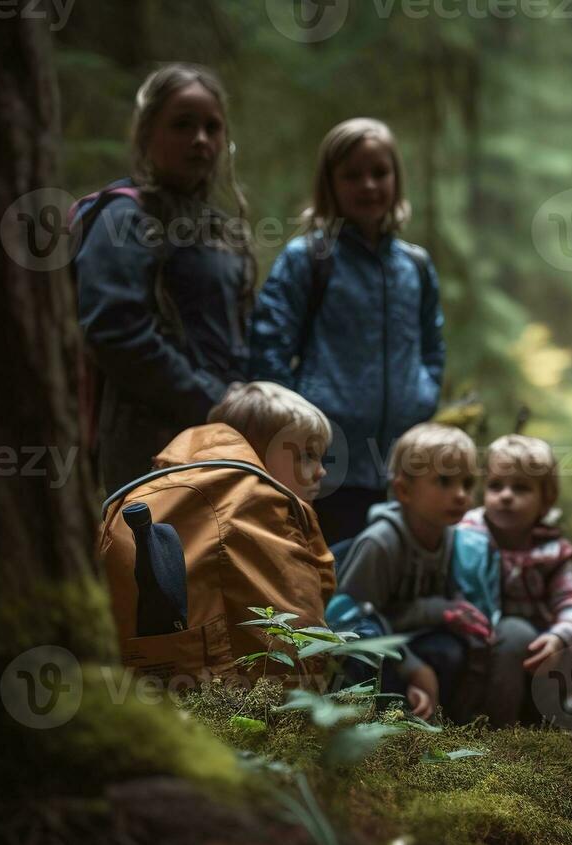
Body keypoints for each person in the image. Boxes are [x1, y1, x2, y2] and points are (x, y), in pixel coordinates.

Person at [248, 117, 445, 544]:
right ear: (329, 184)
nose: (369, 185)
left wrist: (424, 392)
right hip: (327, 466)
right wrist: (296, 431)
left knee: (390, 580)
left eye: (380, 173)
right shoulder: (308, 259)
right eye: (352, 175)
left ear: (396, 178)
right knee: (330, 580)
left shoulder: (415, 264)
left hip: (402, 464)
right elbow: (269, 347)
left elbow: (432, 343)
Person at [75, 63, 256, 492]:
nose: (200, 139)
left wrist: (254, 407)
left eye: (212, 128)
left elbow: (243, 333)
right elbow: (114, 330)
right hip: (148, 445)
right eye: (182, 125)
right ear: (146, 133)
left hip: (229, 439)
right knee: (157, 558)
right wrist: (211, 400)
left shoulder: (222, 230)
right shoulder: (121, 217)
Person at [98, 381, 336, 682]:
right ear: (255, 451)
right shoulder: (259, 510)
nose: (321, 471)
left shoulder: (154, 490)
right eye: (307, 456)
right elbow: (302, 638)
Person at [334, 423, 499, 721]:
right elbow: (350, 621)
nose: (461, 495)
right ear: (404, 491)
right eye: (445, 481)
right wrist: (413, 668)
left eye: (468, 482)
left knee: (450, 651)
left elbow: (440, 600)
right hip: (378, 653)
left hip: (414, 641)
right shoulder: (381, 542)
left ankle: (442, 724)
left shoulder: (448, 536)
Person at [460, 435, 572, 725]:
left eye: (521, 488)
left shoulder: (553, 549)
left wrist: (558, 637)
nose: (506, 495)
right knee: (514, 633)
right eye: (496, 486)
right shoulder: (466, 536)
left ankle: (542, 715)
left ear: (546, 500)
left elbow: (569, 604)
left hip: (538, 649)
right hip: (481, 640)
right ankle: (497, 728)